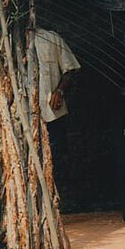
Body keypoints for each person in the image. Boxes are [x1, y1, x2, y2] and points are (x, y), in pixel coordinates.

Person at [34, 28, 81, 168]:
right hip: (25, 115)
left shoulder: (51, 37)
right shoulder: (13, 39)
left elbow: (70, 69)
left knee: (57, 157)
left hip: (52, 112)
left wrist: (59, 91)